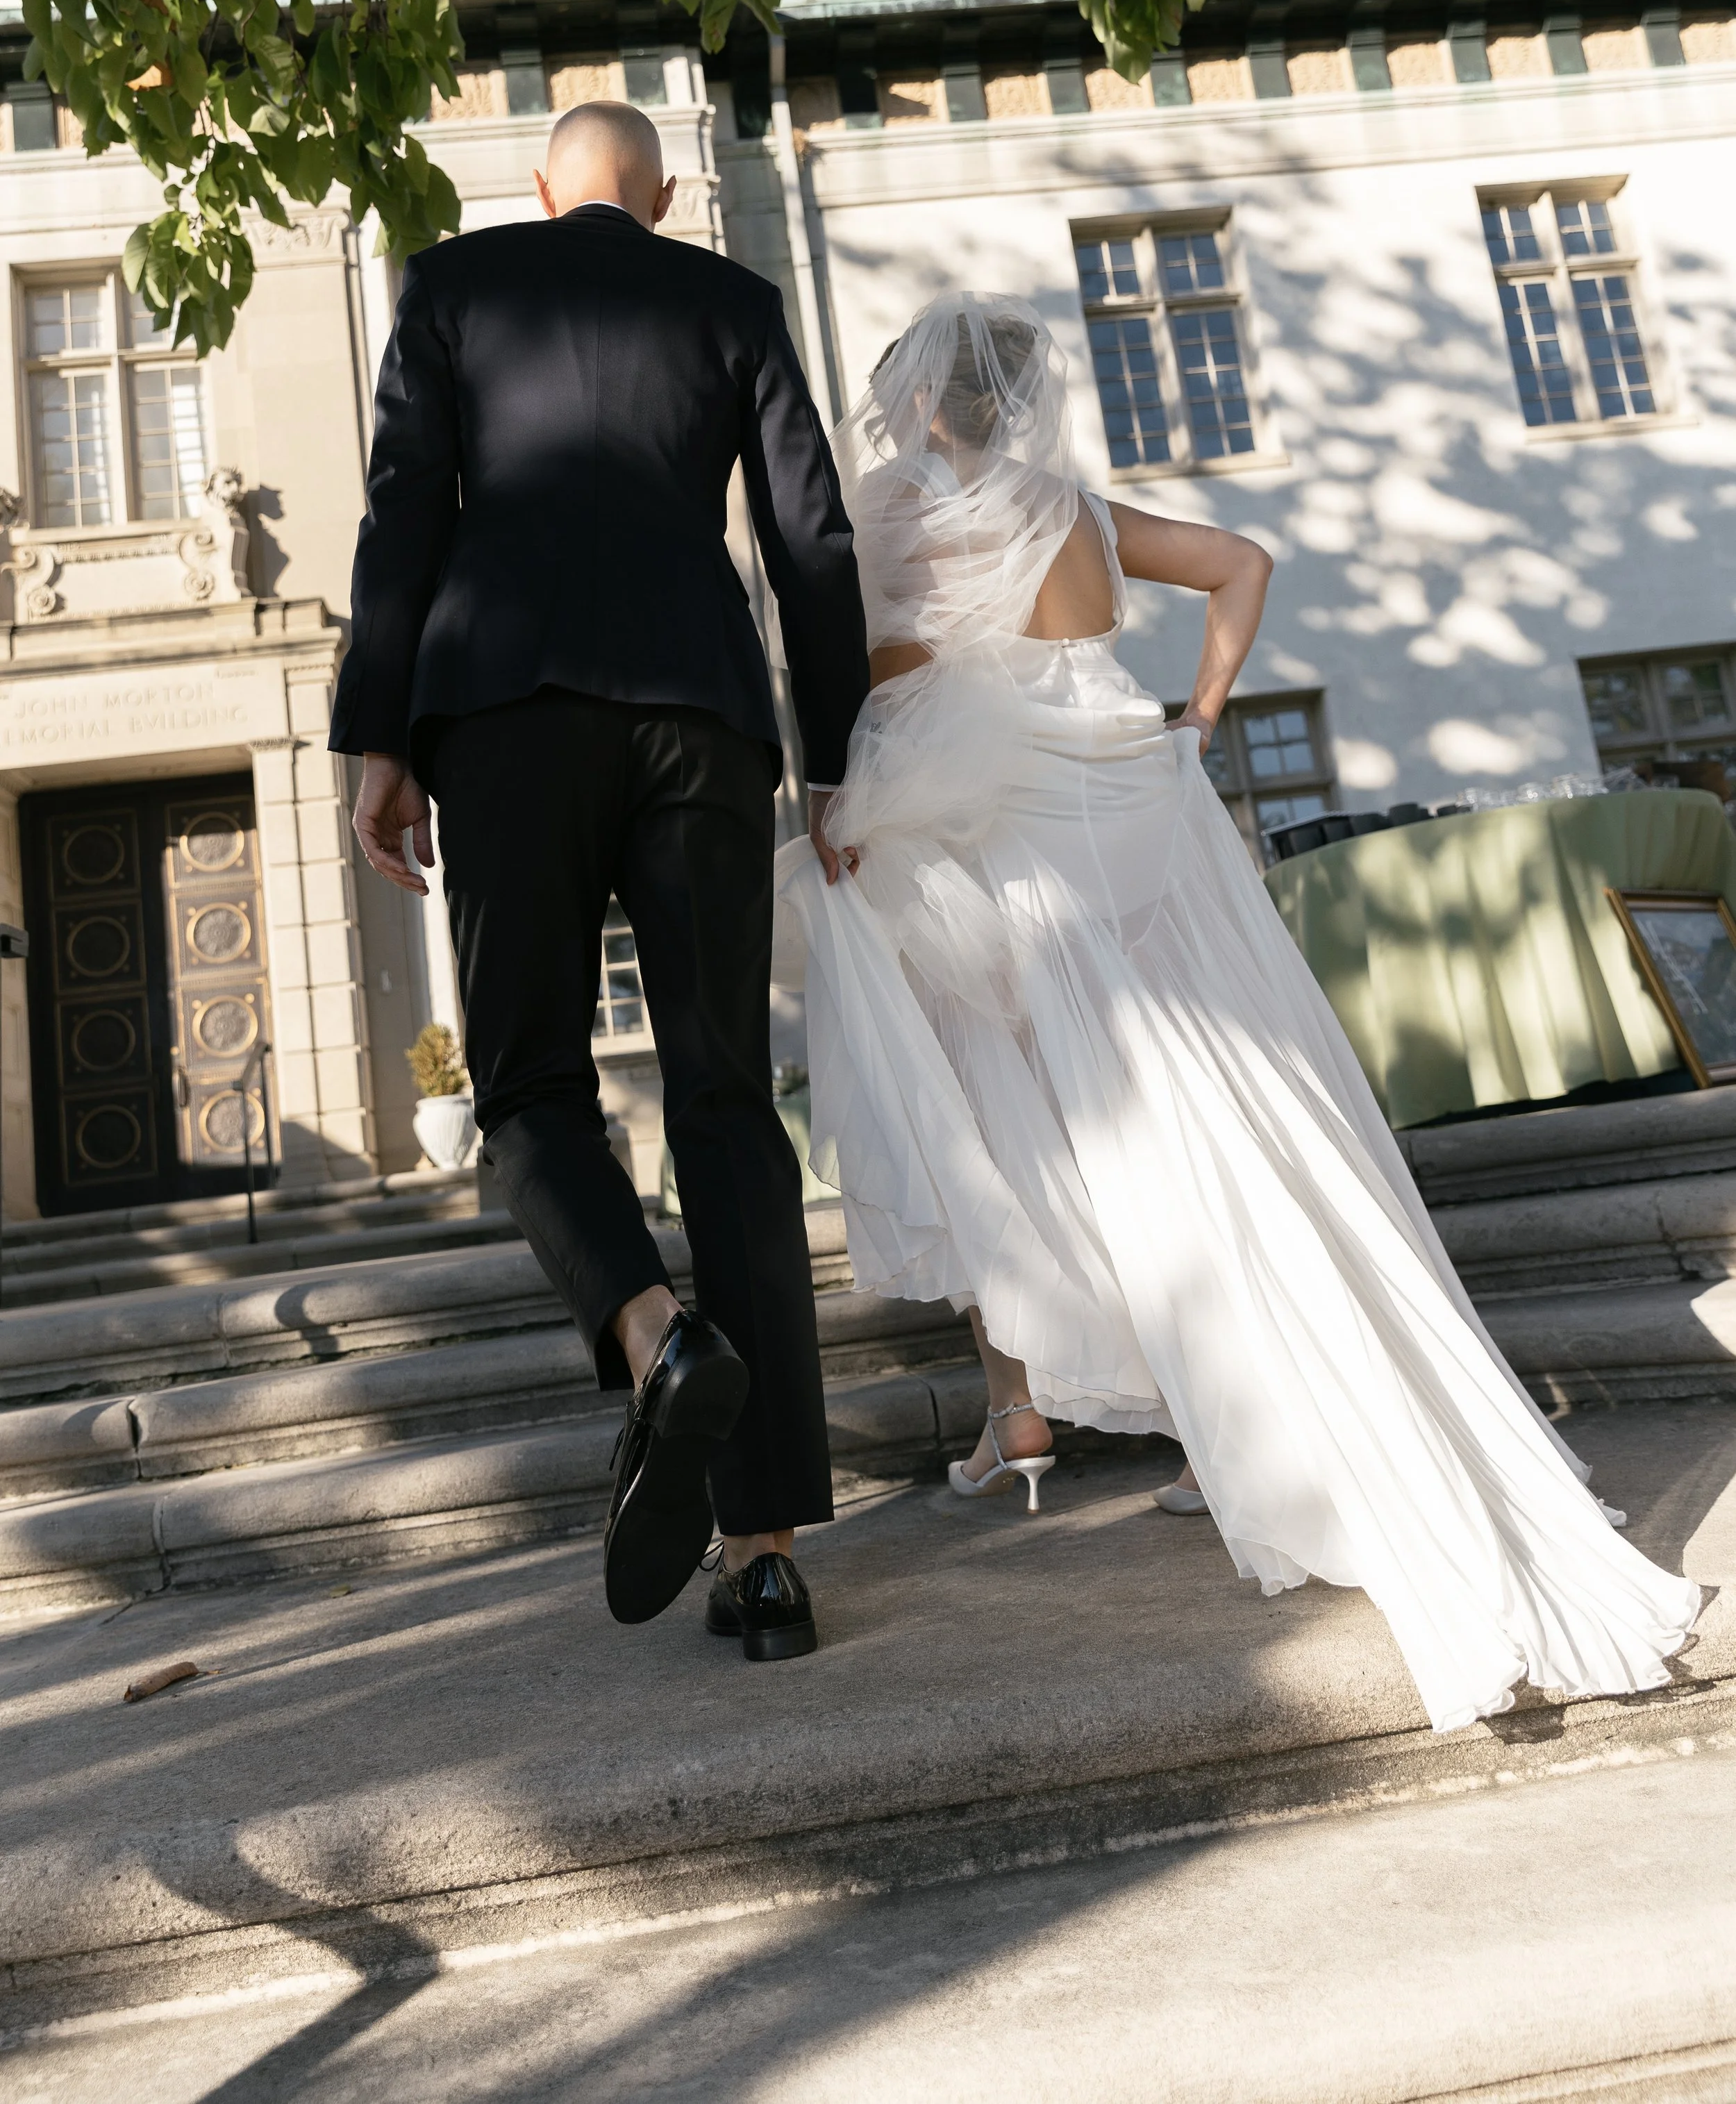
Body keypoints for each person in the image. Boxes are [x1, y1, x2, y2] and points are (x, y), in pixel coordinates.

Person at [779, 292, 1701, 1734]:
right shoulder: (1070, 506)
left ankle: (1024, 1406)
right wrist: (1200, 714)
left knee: (1017, 1117)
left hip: (973, 832)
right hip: (1127, 807)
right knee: (1207, 1109)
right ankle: (1223, 1430)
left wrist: (842, 787)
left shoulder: (887, 511)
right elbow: (1242, 561)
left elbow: (862, 669)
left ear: (914, 403)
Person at [332, 101, 869, 1662]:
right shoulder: (732, 302)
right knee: (723, 1104)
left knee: (527, 1092)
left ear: (540, 188)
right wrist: (834, 748)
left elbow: (400, 518)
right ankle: (763, 1556)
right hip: (699, 715)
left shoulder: (443, 287)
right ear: (669, 190)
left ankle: (655, 1338)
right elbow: (810, 540)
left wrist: (379, 737)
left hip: (501, 715)